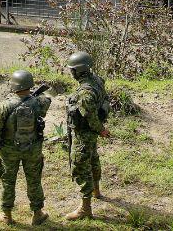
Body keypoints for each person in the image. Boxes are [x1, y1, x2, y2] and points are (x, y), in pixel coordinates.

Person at [0, 70, 51, 226]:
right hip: (33, 149)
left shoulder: (6, 105)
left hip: (9, 150)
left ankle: (6, 214)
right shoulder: (38, 102)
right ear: (30, 85)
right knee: (34, 180)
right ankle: (37, 214)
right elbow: (47, 100)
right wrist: (33, 96)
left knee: (8, 181)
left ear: (13, 86)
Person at [65, 51, 109, 221]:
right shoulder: (97, 80)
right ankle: (96, 190)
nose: (71, 72)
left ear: (78, 71)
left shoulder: (85, 93)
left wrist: (101, 129)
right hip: (91, 132)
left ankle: (85, 208)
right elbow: (104, 99)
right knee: (93, 159)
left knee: (80, 166)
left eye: (72, 70)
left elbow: (89, 116)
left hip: (84, 133)